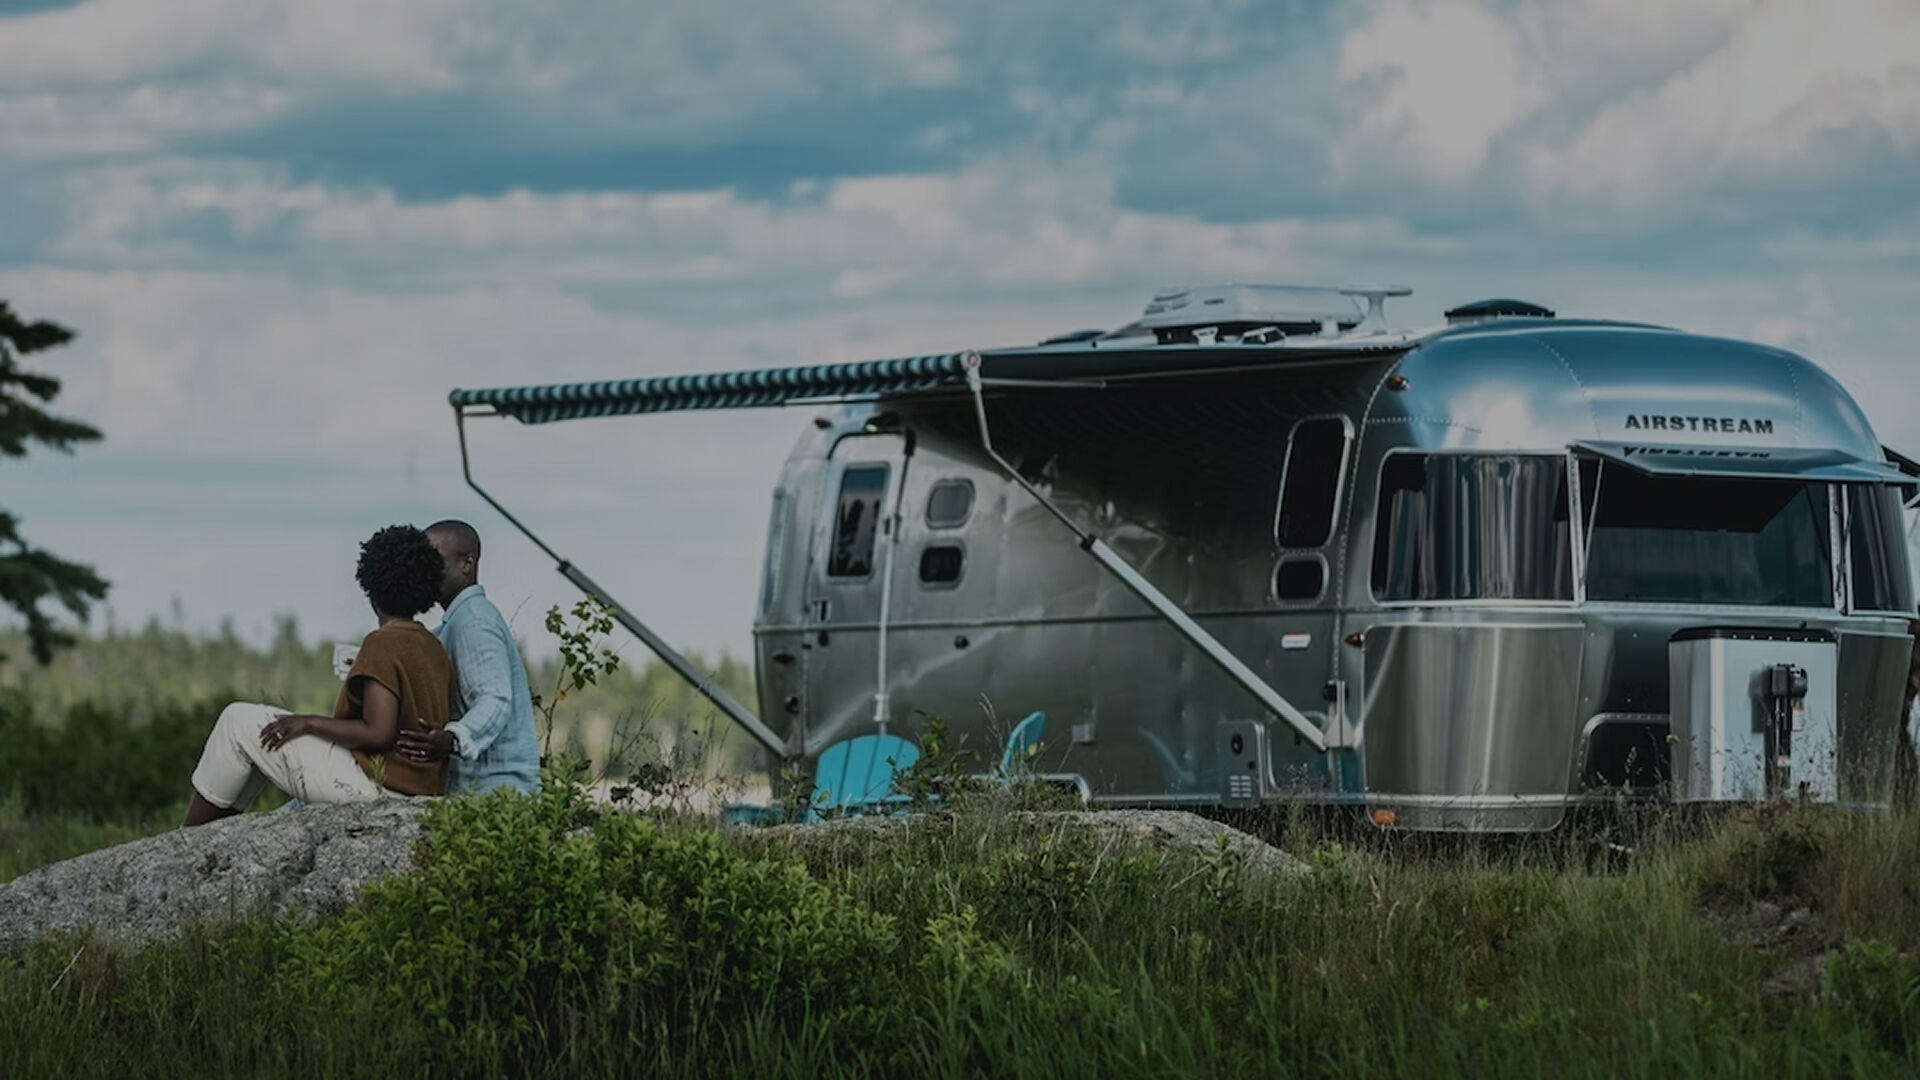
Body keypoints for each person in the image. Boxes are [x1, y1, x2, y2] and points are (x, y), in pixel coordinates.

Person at [182, 525, 455, 826]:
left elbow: (379, 732)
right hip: (418, 789)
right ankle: (211, 835)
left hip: (377, 786)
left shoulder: (382, 642)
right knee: (259, 733)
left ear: (371, 588)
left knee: (237, 722)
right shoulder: (432, 645)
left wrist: (308, 722)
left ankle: (187, 838)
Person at [394, 520, 541, 794]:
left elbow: (495, 697)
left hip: (497, 797)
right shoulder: (458, 622)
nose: (424, 570)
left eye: (433, 560)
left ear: (467, 563)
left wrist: (452, 739)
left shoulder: (474, 622)